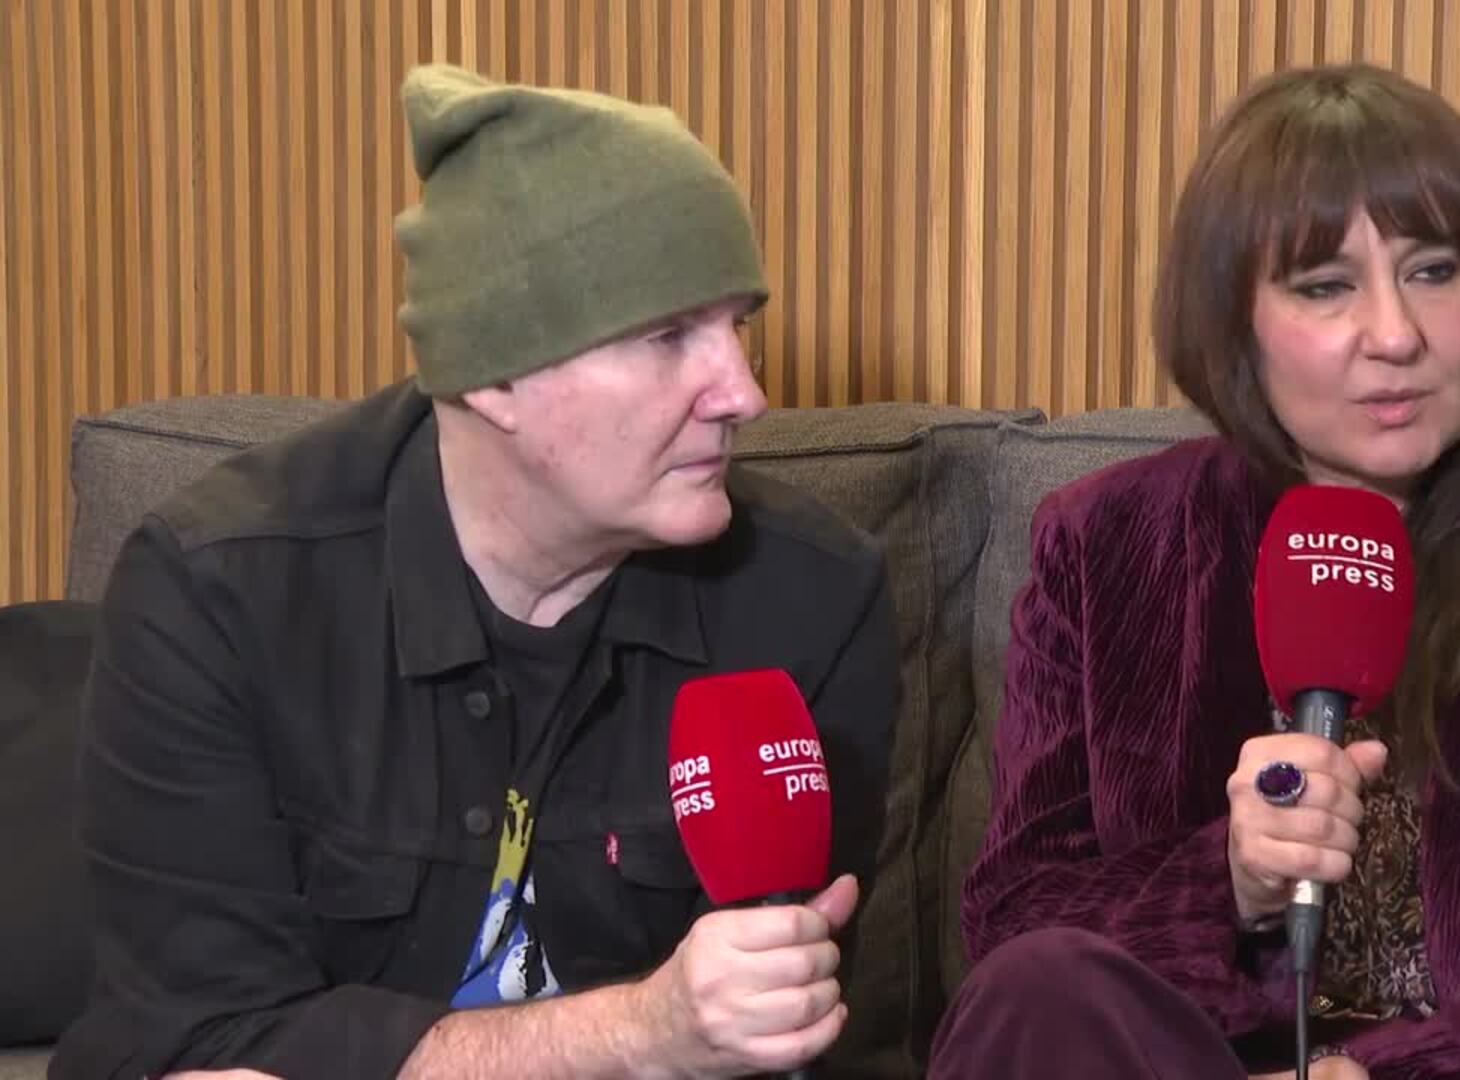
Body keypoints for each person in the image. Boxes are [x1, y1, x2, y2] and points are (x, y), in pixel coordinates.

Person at [54, 64, 898, 1080]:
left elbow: (795, 1033)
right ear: (491, 375)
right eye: (670, 335)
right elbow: (205, 1040)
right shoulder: (217, 592)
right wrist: (638, 1033)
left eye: (738, 327)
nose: (745, 394)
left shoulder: (812, 597)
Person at [930, 65, 1460, 1078]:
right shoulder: (1106, 545)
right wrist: (1228, 881)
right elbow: (1015, 933)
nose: (1397, 335)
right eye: (1326, 285)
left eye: (1435, 270)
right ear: (1233, 321)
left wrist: (1360, 1077)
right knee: (1038, 983)